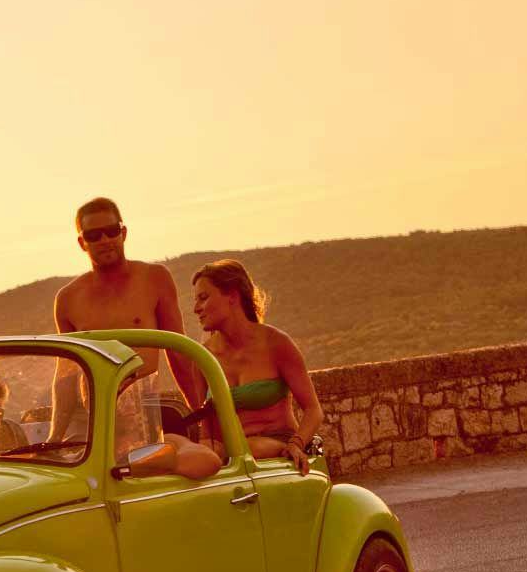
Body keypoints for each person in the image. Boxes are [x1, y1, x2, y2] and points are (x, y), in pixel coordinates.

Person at [48, 196, 194, 440]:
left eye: (111, 231)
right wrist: (54, 437)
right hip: (95, 416)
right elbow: (66, 374)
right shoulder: (68, 299)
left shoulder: (154, 278)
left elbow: (178, 352)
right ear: (82, 243)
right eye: (94, 235)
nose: (105, 240)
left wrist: (203, 415)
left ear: (123, 233)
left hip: (146, 409)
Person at [183, 258, 323, 475]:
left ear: (232, 295)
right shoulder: (203, 357)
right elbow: (207, 433)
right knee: (176, 450)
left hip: (277, 444)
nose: (195, 309)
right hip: (231, 454)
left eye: (203, 298)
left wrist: (296, 444)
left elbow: (314, 410)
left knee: (249, 448)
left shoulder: (276, 343)